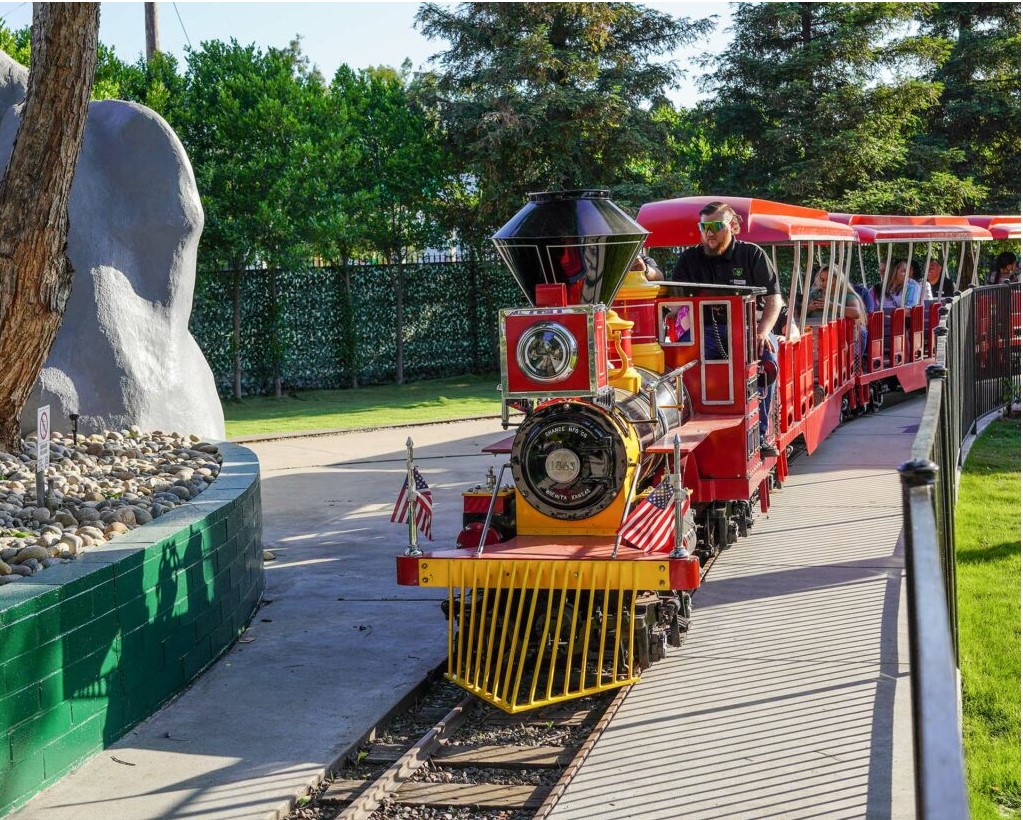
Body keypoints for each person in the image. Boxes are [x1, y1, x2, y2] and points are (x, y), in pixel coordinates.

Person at [671, 201, 783, 458]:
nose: (708, 233)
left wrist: (763, 331)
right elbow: (673, 305)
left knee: (767, 361)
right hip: (705, 332)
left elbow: (774, 298)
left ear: (732, 226)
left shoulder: (752, 255)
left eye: (715, 226)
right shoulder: (689, 259)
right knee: (678, 364)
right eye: (703, 227)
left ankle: (761, 434)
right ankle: (685, 426)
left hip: (748, 330)